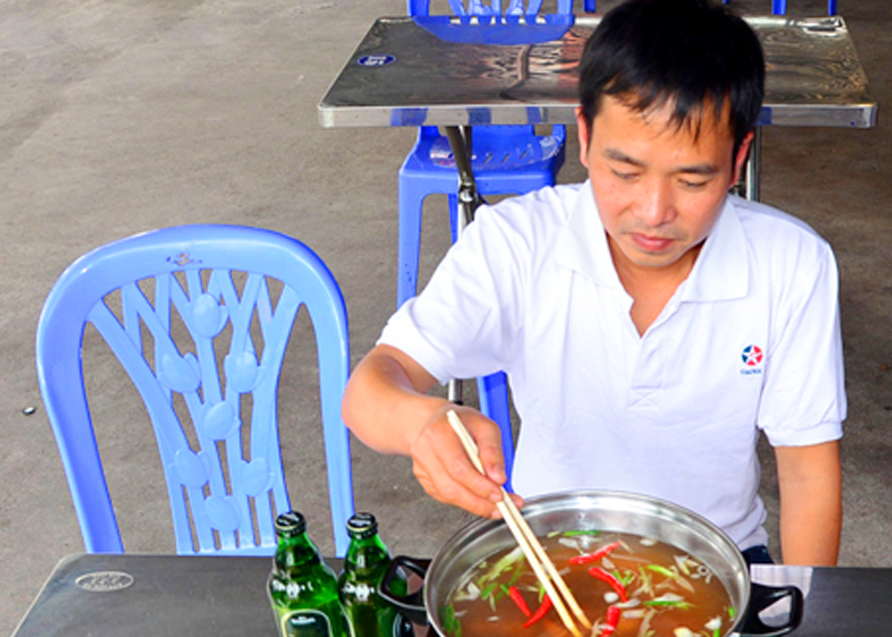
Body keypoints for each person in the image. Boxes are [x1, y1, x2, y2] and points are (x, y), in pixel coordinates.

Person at [341, 0, 845, 565]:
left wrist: (808, 624)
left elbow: (806, 472)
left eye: (693, 180)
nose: (654, 212)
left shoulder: (792, 264)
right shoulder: (519, 241)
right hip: (550, 552)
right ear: (582, 137)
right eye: (625, 172)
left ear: (737, 160)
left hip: (718, 559)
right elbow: (369, 390)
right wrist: (423, 421)